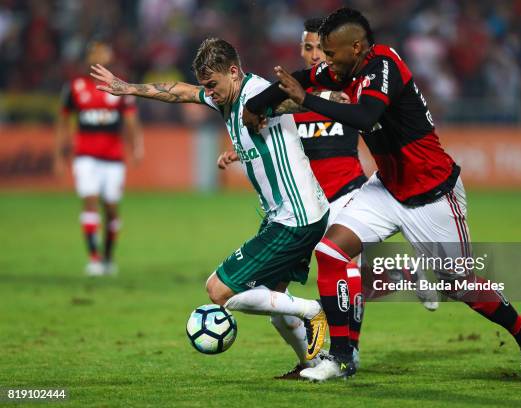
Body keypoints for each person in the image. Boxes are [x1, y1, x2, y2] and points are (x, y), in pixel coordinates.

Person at [244, 8, 521, 383]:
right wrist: (254, 106)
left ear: (356, 47)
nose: (326, 60)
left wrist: (306, 100)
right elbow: (301, 79)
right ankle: (340, 358)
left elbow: (365, 116)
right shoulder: (342, 69)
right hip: (387, 188)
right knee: (331, 252)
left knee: (460, 285)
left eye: (331, 52)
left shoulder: (384, 65)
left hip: (434, 194)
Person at [91, 37, 331, 374]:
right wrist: (127, 86)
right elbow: (180, 91)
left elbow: (300, 102)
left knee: (220, 291)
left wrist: (347, 100)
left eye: (213, 84)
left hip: (296, 217)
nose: (209, 92)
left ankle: (313, 310)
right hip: (290, 214)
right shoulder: (224, 97)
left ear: (233, 72)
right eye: (206, 85)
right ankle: (312, 364)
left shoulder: (258, 96)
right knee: (275, 304)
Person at [217, 17, 439, 379]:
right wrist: (241, 150)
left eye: (318, 48)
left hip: (347, 193)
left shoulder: (345, 88)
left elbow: (363, 107)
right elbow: (274, 144)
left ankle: (346, 353)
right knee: (282, 297)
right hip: (306, 204)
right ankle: (400, 278)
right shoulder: (294, 94)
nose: (312, 54)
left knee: (342, 270)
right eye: (306, 47)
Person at [54, 40, 144, 276]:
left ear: (110, 58)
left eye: (104, 52)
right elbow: (63, 122)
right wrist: (59, 155)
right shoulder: (74, 87)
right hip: (85, 157)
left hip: (113, 158)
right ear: (88, 58)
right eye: (95, 53)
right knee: (90, 201)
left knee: (111, 208)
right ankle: (93, 258)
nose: (99, 56)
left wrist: (136, 147)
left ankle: (108, 257)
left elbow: (131, 121)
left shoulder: (119, 87)